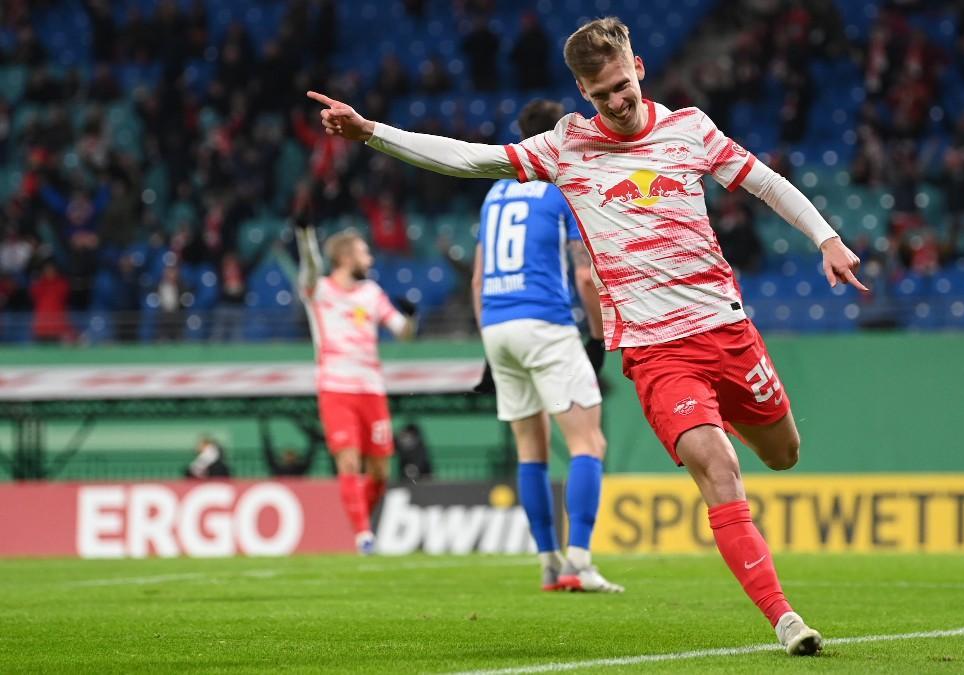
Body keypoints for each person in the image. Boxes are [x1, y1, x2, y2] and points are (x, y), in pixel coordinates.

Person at [307, 16, 867, 655]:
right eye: (602, 96)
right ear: (581, 92)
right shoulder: (564, 147)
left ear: (640, 69)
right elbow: (468, 158)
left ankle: (696, 460)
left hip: (728, 332)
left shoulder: (690, 129)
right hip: (656, 352)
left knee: (783, 453)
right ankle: (785, 619)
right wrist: (370, 131)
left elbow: (764, 181)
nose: (618, 103)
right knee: (719, 467)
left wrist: (826, 238)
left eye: (624, 86)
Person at [471, 98, 620, 593]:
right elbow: (585, 275)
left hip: (496, 326)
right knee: (588, 442)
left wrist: (489, 349)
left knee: (530, 451)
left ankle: (548, 561)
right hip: (545, 323)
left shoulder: (494, 193)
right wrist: (597, 340)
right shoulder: (561, 192)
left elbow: (477, 279)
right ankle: (580, 560)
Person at [295, 226, 416, 554]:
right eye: (365, 252)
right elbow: (308, 263)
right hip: (336, 387)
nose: (370, 258)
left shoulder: (372, 293)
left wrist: (411, 317)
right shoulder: (318, 290)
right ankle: (363, 535)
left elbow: (401, 330)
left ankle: (358, 520)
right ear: (346, 257)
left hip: (372, 391)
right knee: (348, 461)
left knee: (380, 470)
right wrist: (304, 234)